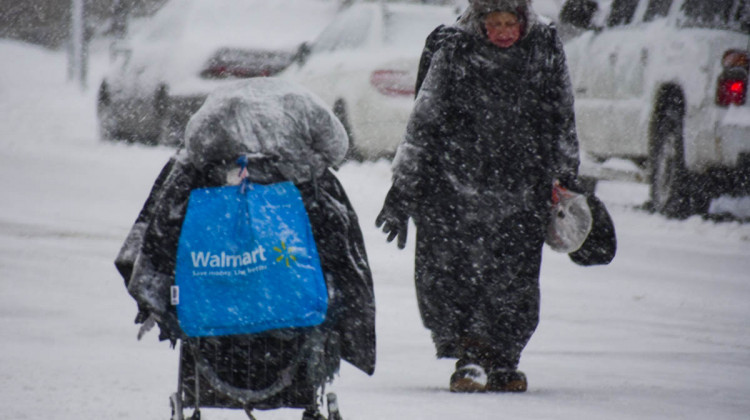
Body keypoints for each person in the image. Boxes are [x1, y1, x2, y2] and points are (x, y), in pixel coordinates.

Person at [376, 0, 580, 393]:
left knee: (515, 277)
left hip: (522, 186)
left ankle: (505, 358)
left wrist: (566, 176)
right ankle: (470, 357)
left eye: (511, 23)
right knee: (458, 277)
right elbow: (424, 119)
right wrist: (403, 189)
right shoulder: (454, 48)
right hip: (456, 187)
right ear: (480, 23)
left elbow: (562, 113)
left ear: (523, 22)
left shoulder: (544, 47)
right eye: (495, 23)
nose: (504, 32)